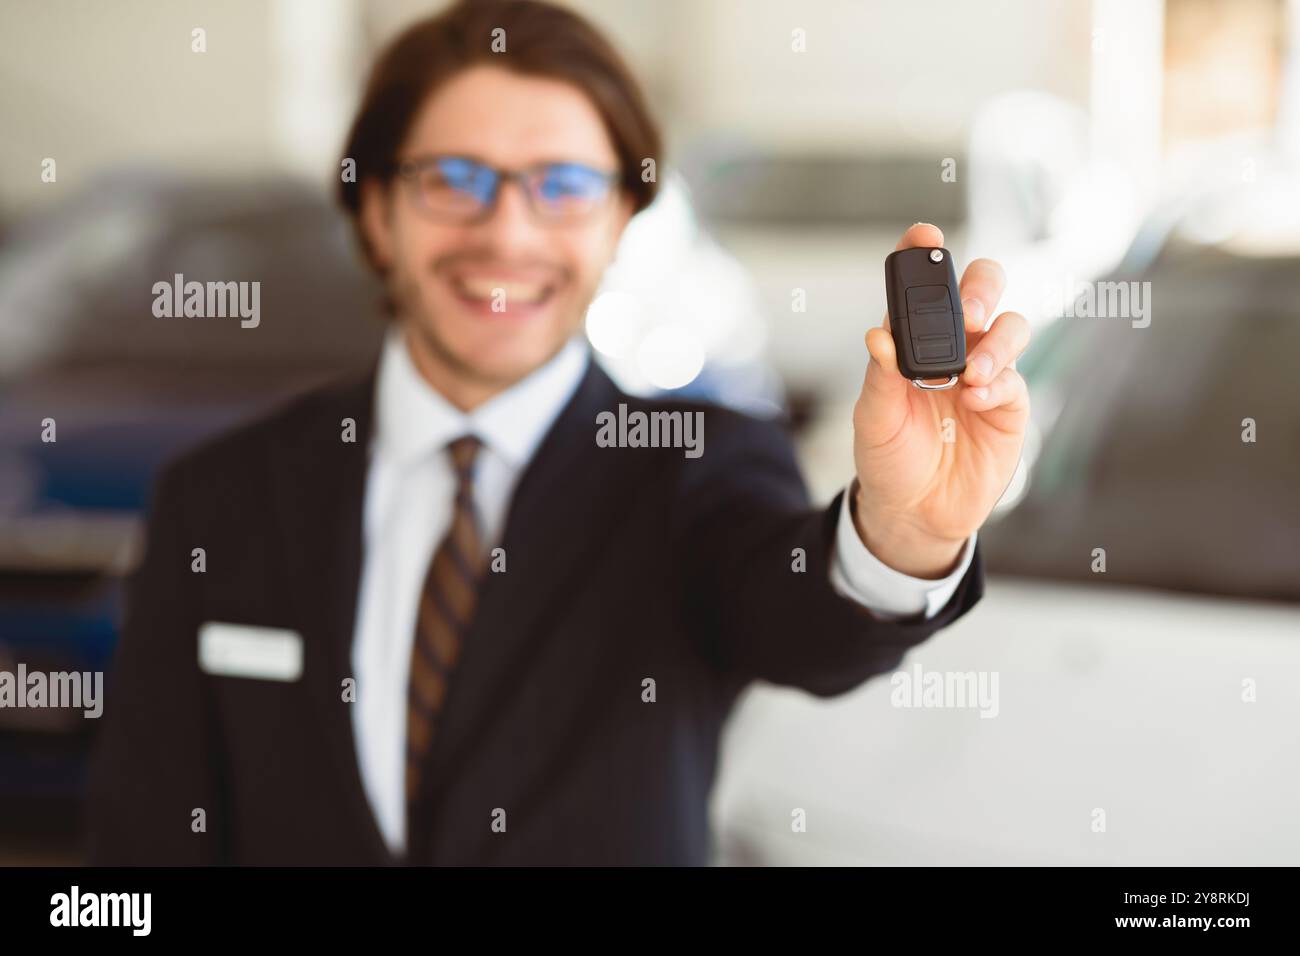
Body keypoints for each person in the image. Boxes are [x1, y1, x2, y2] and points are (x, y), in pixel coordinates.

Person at [87, 0, 1029, 866]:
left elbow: (806, 627)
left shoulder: (694, 468)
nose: (507, 232)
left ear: (622, 219)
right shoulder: (222, 494)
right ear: (376, 213)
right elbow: (143, 844)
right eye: (453, 179)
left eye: (565, 185)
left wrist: (906, 532)